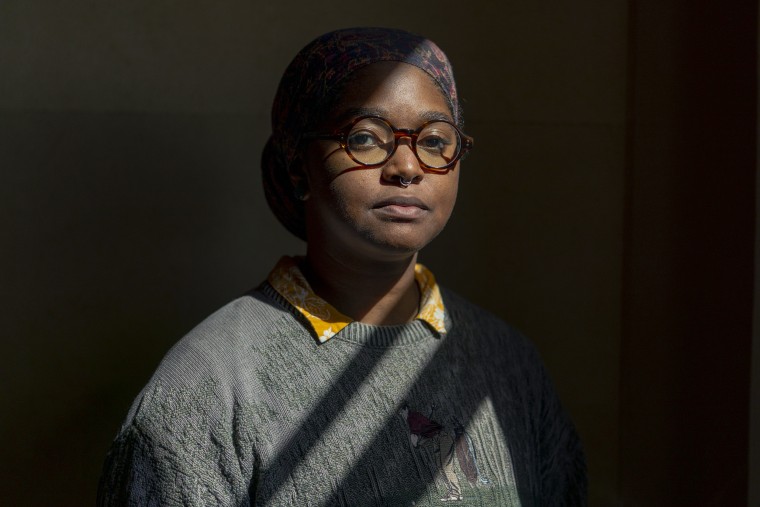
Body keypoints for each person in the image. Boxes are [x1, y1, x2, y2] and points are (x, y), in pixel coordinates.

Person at [97, 27, 586, 506]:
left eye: (436, 141)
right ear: (297, 167)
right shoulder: (208, 390)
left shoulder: (507, 362)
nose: (407, 166)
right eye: (365, 138)